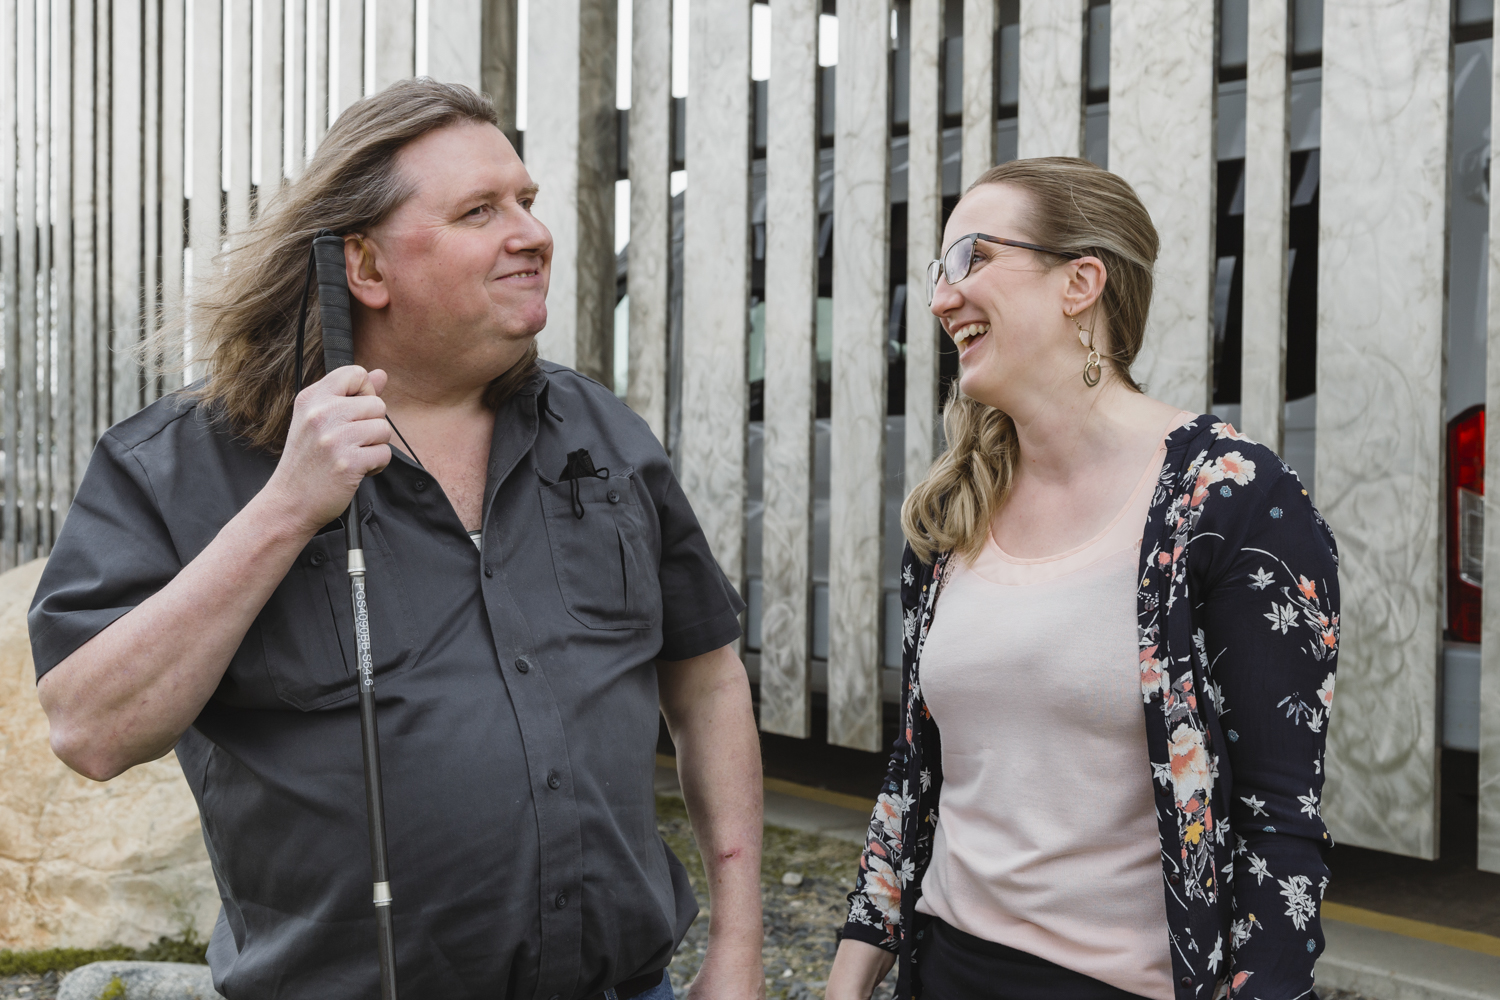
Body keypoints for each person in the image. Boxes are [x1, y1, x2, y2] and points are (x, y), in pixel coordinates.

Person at [30, 79, 765, 1000]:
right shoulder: (187, 464)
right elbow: (90, 729)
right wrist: (287, 507)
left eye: (527, 202)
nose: (533, 233)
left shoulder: (600, 435)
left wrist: (738, 946)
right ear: (366, 268)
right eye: (479, 211)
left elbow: (706, 679)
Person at [825, 157, 1340, 1000]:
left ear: (1082, 283)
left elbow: (1277, 827)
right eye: (937, 272)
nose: (941, 298)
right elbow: (914, 778)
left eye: (972, 260)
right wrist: (846, 983)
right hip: (943, 971)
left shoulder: (1235, 503)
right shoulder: (954, 510)